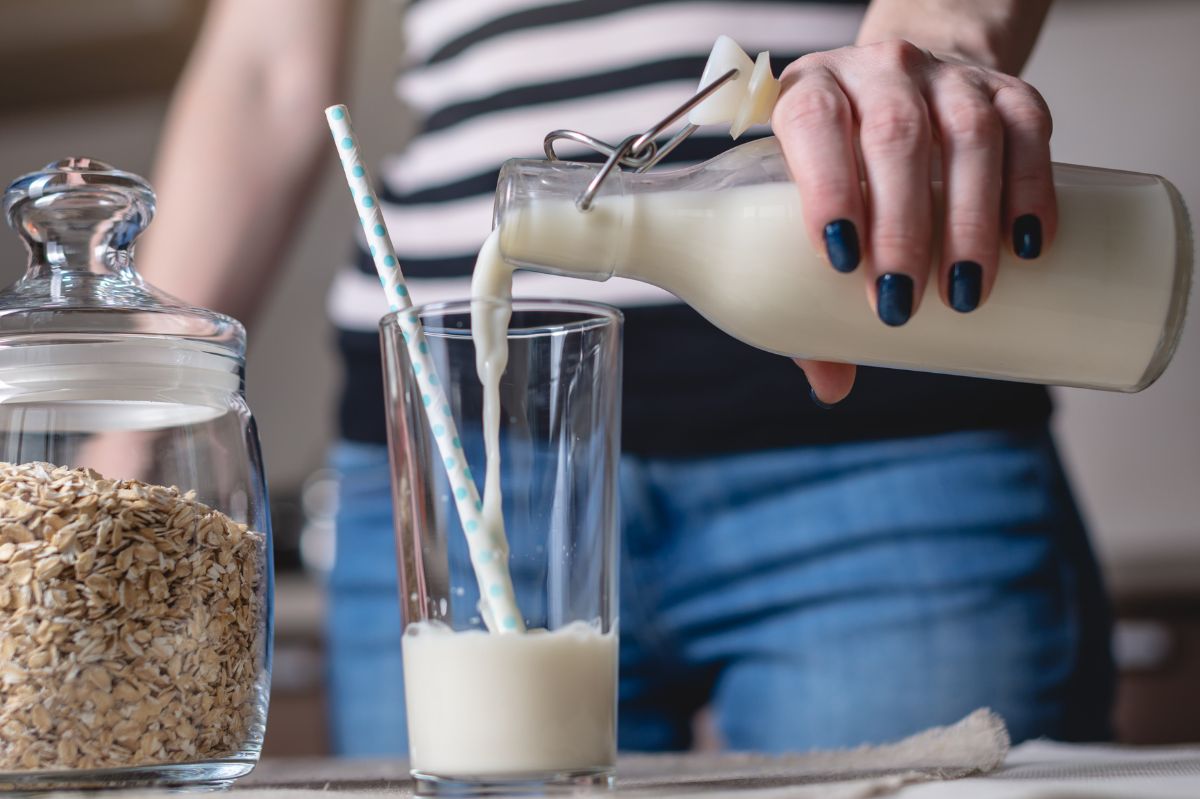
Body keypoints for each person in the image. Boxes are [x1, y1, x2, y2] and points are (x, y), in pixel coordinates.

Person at [144, 0, 1114, 754]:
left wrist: (935, 44)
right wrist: (119, 446)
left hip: (878, 414)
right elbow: (264, 71)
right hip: (458, 456)